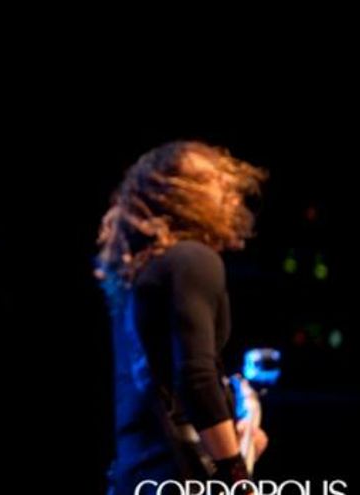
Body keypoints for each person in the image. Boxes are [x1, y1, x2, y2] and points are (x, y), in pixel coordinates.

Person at [95, 141, 268, 494]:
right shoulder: (192, 259)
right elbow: (196, 377)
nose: (228, 189)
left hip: (139, 472)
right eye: (213, 179)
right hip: (179, 475)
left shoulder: (141, 273)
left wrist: (237, 435)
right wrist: (235, 474)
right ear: (183, 192)